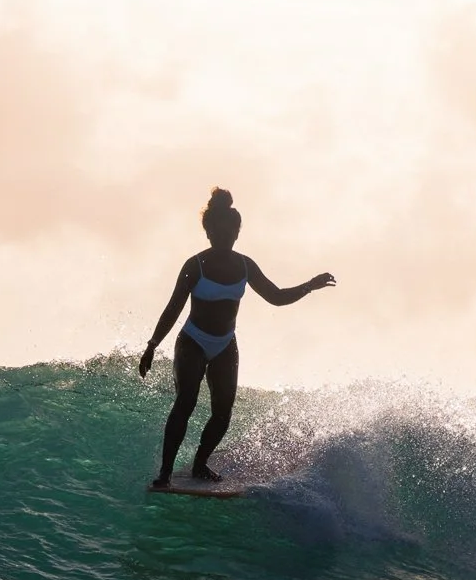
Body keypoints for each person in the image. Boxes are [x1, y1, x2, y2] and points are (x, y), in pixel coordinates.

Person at [138, 188, 335, 489]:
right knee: (186, 402)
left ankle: (200, 464)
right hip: (193, 341)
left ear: (237, 232)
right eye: (219, 231)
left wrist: (309, 285)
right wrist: (152, 345)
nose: (225, 236)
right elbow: (173, 308)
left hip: (224, 344)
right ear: (208, 232)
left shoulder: (245, 265)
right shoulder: (195, 265)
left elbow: (276, 296)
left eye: (231, 231)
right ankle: (164, 473)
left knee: (223, 412)